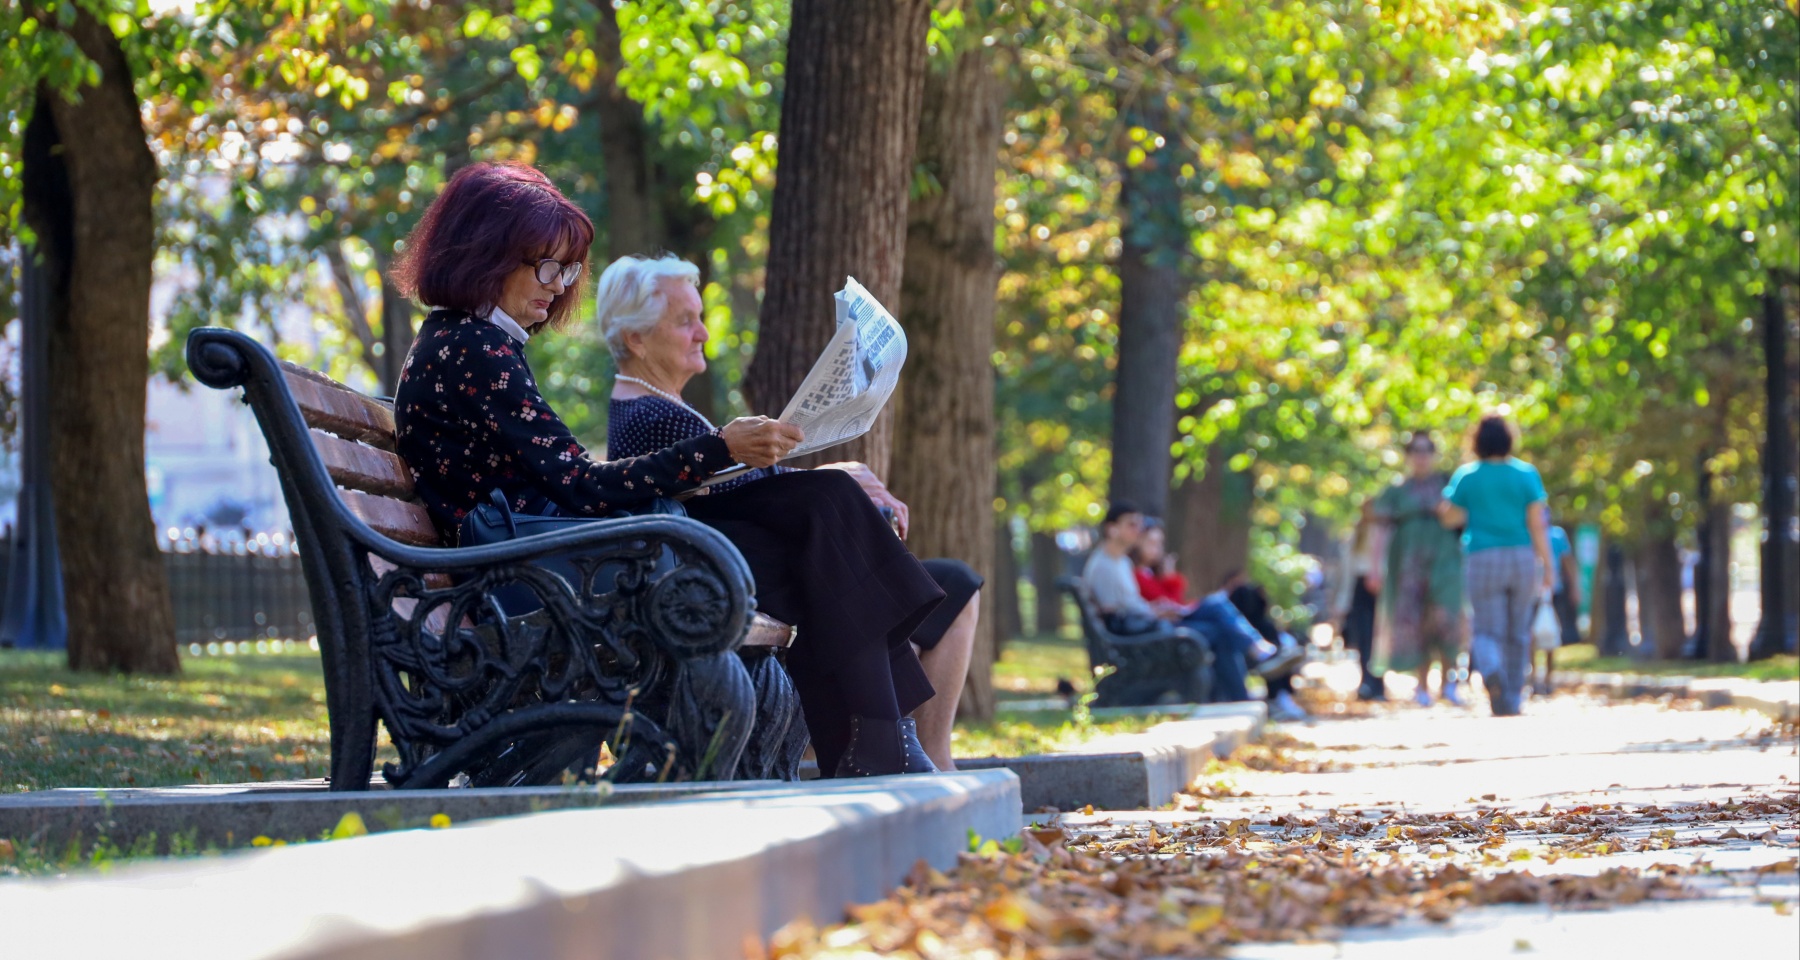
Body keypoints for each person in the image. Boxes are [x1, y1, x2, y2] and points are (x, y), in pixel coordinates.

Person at [390, 162, 946, 777]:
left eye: (567, 268)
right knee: (818, 521)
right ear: (486, 255)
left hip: (554, 553)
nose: (558, 285)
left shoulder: (470, 342)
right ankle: (875, 741)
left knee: (821, 513)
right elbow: (581, 485)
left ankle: (875, 741)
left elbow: (567, 483)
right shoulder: (472, 348)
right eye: (545, 265)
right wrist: (720, 449)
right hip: (534, 569)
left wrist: (723, 453)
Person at [598, 254, 981, 772]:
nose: (703, 333)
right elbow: (741, 491)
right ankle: (882, 740)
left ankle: (885, 739)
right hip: (712, 573)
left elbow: (738, 485)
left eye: (700, 317)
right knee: (831, 510)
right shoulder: (646, 413)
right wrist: (832, 477)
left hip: (735, 560)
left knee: (836, 517)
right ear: (637, 340)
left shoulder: (659, 405)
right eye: (684, 321)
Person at [1081, 502, 1269, 703]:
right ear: (1112, 529)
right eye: (1131, 524)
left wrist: (1155, 609)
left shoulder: (1121, 561)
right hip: (1139, 637)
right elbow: (1116, 614)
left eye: (1138, 524)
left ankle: (1242, 689)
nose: (1138, 529)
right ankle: (1252, 664)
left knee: (1216, 617)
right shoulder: (1104, 565)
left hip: (1147, 627)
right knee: (1216, 621)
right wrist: (1154, 612)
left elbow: (1129, 606)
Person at [1438, 415, 1553, 717]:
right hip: (1521, 556)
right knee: (1518, 631)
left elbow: (1449, 517)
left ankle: (1490, 669)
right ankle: (1513, 697)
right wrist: (1548, 565)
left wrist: (1472, 511)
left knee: (1487, 629)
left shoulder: (1468, 476)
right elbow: (1537, 525)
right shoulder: (1526, 474)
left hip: (1481, 557)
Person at [1371, 432, 1467, 707]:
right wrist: (1375, 569)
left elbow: (1464, 518)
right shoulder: (1396, 491)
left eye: (1426, 450)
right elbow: (1378, 529)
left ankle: (1450, 684)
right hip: (1408, 566)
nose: (1421, 456)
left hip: (1445, 562)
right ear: (1408, 455)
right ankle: (1422, 686)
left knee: (1447, 618)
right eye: (1416, 450)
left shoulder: (1449, 485)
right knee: (1416, 623)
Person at [1222, 571, 1309, 722]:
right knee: (1266, 629)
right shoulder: (1219, 601)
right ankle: (1269, 658)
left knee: (1267, 627)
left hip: (1249, 636)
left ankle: (1274, 665)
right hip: (1236, 644)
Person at [1334, 499, 1386, 701]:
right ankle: (1366, 682)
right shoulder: (1355, 535)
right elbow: (1346, 572)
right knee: (1362, 637)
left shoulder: (1387, 533)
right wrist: (1341, 603)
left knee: (1378, 639)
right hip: (1359, 588)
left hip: (1381, 589)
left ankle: (1378, 685)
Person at [1536, 518, 1583, 694]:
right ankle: (1534, 677)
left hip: (1554, 590)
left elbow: (1567, 562)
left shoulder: (1556, 535)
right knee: (1530, 635)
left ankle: (1547, 678)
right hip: (1531, 591)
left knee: (1551, 634)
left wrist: (1575, 587)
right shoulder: (1525, 533)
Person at [1130, 519, 1189, 606]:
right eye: (1151, 543)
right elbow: (1169, 604)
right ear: (1138, 542)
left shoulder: (1152, 573)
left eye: (1159, 544)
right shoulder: (1136, 574)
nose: (1156, 549)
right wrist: (1171, 578)